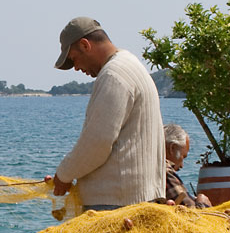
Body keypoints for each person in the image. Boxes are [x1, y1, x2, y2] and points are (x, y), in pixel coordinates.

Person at [50, 16, 164, 210]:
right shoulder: (131, 64)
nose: (76, 68)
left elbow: (98, 142)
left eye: (74, 59)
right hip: (141, 198)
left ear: (85, 45)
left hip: (116, 203)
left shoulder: (113, 75)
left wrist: (63, 175)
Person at [163, 122, 212, 207]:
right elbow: (191, 212)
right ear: (172, 148)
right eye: (183, 157)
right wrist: (203, 203)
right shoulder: (164, 171)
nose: (182, 165)